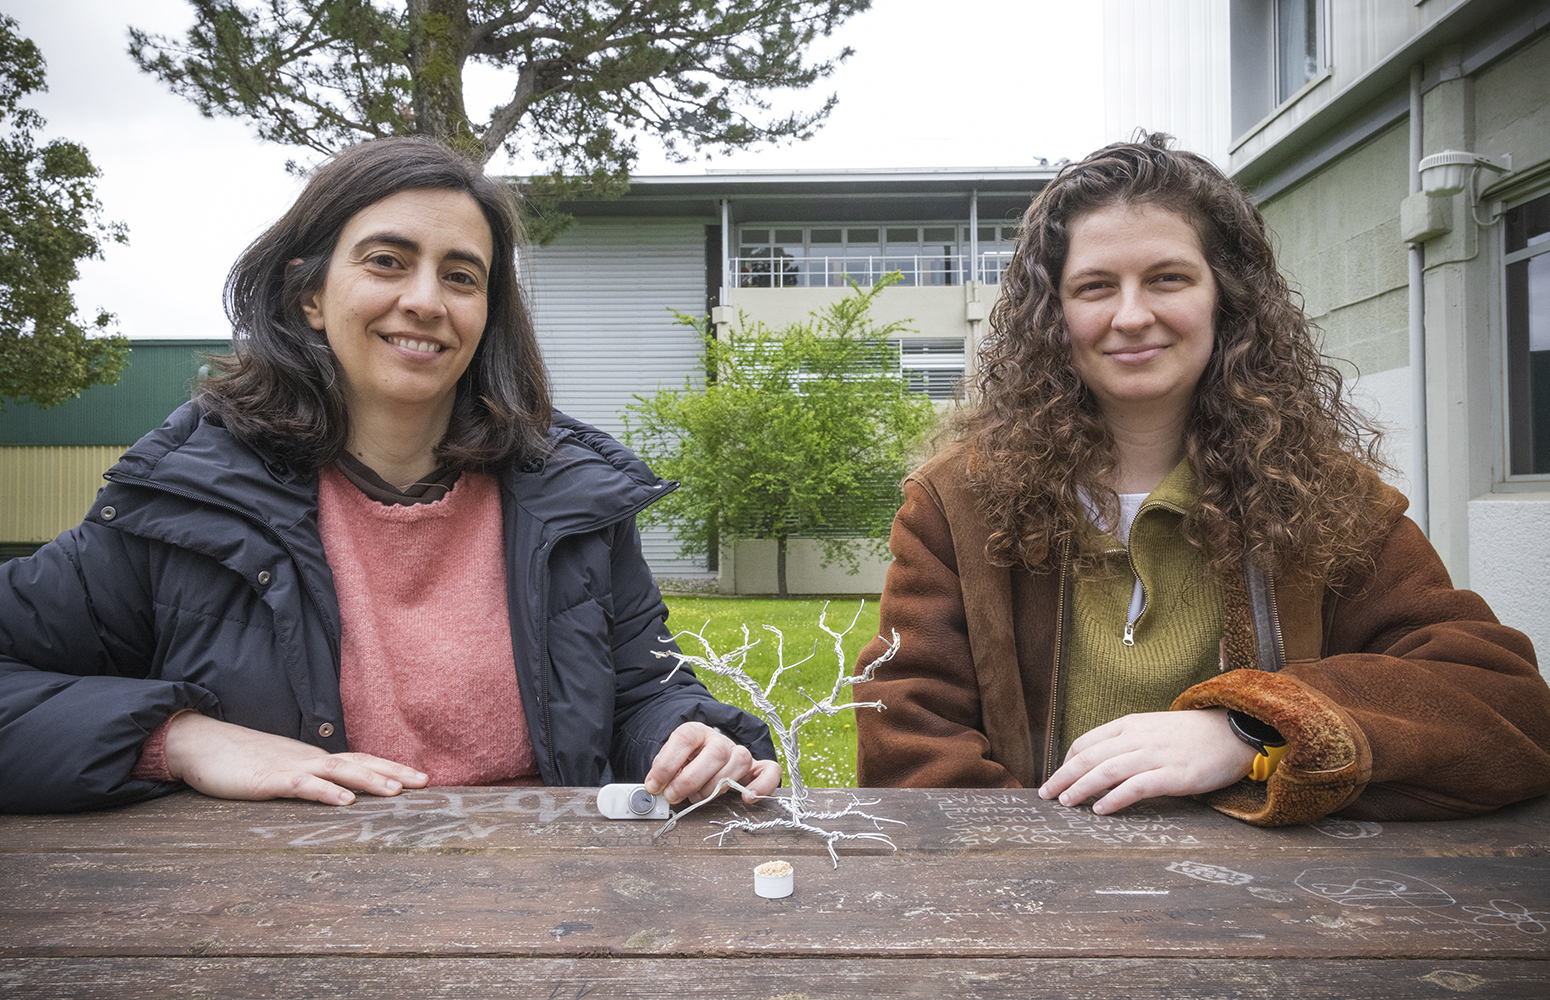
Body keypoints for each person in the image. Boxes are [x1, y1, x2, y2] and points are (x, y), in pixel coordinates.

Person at [0, 136, 779, 814]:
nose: (424, 300)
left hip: (546, 902)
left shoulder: (571, 499)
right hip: (277, 914)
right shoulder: (188, 497)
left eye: (462, 276)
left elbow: (642, 692)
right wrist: (181, 740)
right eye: (387, 262)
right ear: (310, 294)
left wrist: (688, 739)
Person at [855, 133, 1550, 826]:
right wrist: (1058, 875)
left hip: (1275, 909)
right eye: (1096, 287)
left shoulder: (1325, 498)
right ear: (1052, 317)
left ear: (1227, 298)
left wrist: (1253, 727)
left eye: (1168, 278)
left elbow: (1504, 702)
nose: (1132, 316)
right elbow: (908, 750)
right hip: (1043, 908)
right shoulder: (957, 506)